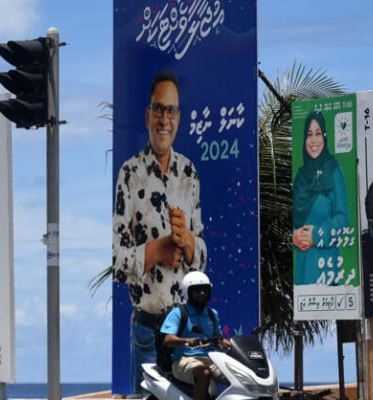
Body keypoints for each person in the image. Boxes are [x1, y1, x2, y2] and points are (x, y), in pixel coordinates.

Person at [111, 70, 207, 393]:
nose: (164, 119)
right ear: (147, 115)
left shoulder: (189, 174)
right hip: (146, 331)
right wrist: (158, 250)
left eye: (170, 111)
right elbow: (118, 261)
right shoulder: (129, 174)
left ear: (178, 119)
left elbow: (201, 261)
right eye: (158, 109)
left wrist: (189, 243)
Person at [292, 111, 350, 285]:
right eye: (309, 135)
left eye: (318, 133)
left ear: (325, 136)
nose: (314, 140)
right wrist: (294, 236)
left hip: (327, 270)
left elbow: (343, 220)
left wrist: (315, 235)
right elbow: (292, 222)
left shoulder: (334, 170)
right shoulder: (300, 177)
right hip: (303, 271)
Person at [160, 272, 230, 400]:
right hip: (183, 360)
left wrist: (226, 342)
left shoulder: (212, 314)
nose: (202, 293)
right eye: (197, 291)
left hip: (211, 360)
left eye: (205, 290)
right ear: (188, 292)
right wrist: (187, 340)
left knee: (236, 374)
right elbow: (167, 339)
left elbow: (218, 337)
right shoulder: (179, 313)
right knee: (204, 373)